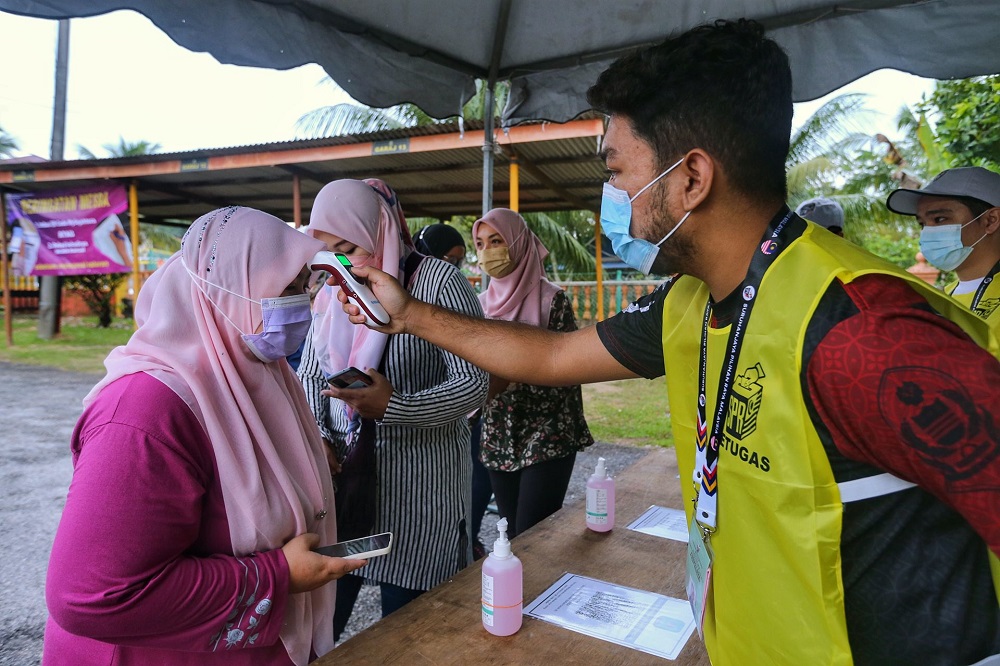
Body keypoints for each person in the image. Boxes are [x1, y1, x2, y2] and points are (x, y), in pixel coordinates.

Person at [337, 19, 1000, 665]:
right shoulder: (688, 302)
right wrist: (409, 315)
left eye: (619, 171)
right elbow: (551, 356)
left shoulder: (862, 332)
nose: (615, 194)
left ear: (691, 178)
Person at [44, 206, 366, 666]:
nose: (301, 304)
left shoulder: (256, 374)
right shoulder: (144, 412)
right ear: (226, 292)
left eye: (303, 287)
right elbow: (89, 594)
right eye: (284, 288)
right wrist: (276, 576)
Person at [296, 179, 488, 641]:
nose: (341, 263)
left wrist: (394, 406)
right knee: (323, 620)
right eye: (328, 254)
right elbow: (308, 373)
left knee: (412, 631)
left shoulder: (435, 281)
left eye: (348, 247)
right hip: (348, 487)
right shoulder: (334, 291)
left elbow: (474, 382)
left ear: (378, 229)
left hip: (420, 491)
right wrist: (317, 436)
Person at [472, 208, 593, 539]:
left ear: (518, 242)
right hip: (498, 432)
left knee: (536, 535)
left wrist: (508, 376)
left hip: (547, 431)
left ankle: (545, 592)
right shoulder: (480, 305)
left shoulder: (551, 300)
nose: (487, 252)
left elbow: (567, 371)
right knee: (510, 534)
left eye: (496, 241)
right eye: (480, 244)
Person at [414, 221, 493, 559]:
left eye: (460, 261)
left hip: (469, 418)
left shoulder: (452, 289)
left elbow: (474, 377)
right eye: (448, 258)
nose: (454, 268)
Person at [887, 166, 1000, 331]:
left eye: (940, 219)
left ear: (991, 220)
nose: (928, 231)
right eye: (922, 223)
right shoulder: (937, 300)